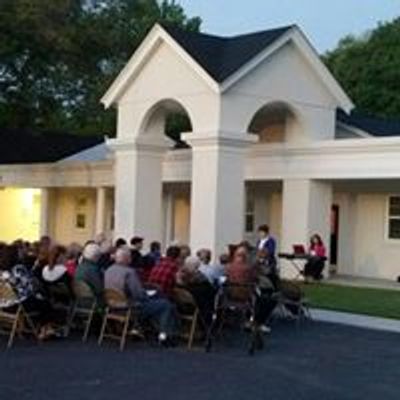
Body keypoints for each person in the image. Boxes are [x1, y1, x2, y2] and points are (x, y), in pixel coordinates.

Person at [104, 247, 178, 346]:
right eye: (130, 257)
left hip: (112, 305)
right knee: (165, 305)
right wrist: (147, 294)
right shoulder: (129, 272)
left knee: (157, 305)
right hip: (130, 308)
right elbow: (138, 295)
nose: (131, 259)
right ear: (126, 258)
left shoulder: (109, 270)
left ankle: (140, 329)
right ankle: (164, 336)